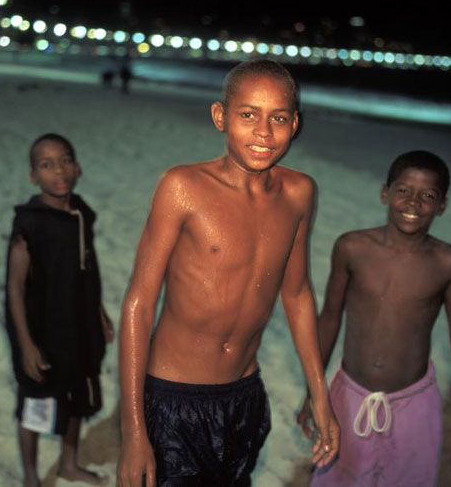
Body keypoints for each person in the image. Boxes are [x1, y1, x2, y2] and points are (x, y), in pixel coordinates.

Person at [117, 59, 340, 487]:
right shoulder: (182, 187)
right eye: (248, 115)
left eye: (278, 118)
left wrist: (320, 394)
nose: (263, 131)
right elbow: (139, 302)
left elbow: (297, 295)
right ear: (221, 117)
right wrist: (133, 430)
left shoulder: (299, 193)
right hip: (173, 397)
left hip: (244, 394)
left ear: (295, 124)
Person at [298, 150, 451, 486]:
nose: (413, 203)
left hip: (414, 403)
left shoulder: (449, 263)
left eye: (427, 196)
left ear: (442, 205)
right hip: (348, 396)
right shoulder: (352, 248)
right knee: (337, 477)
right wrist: (314, 394)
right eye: (403, 191)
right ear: (385, 193)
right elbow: (329, 319)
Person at [5, 133, 114, 487]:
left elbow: (87, 268)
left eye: (65, 160)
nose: (59, 170)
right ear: (33, 176)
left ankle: (69, 463)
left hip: (79, 326)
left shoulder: (81, 213)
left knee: (76, 396)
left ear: (78, 167)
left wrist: (99, 312)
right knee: (37, 404)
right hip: (43, 330)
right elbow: (14, 288)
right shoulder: (30, 224)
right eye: (47, 164)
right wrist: (27, 345)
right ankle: (32, 476)